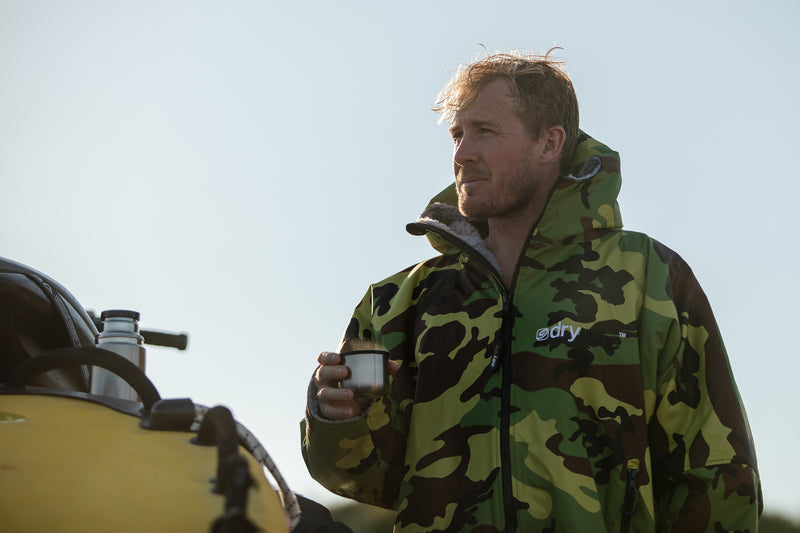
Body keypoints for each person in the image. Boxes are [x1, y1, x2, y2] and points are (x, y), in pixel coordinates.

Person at [300, 50, 762, 532]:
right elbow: (360, 478)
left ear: (549, 143)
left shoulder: (649, 277)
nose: (462, 154)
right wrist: (337, 418)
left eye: (485, 131)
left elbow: (717, 472)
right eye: (457, 135)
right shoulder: (401, 300)